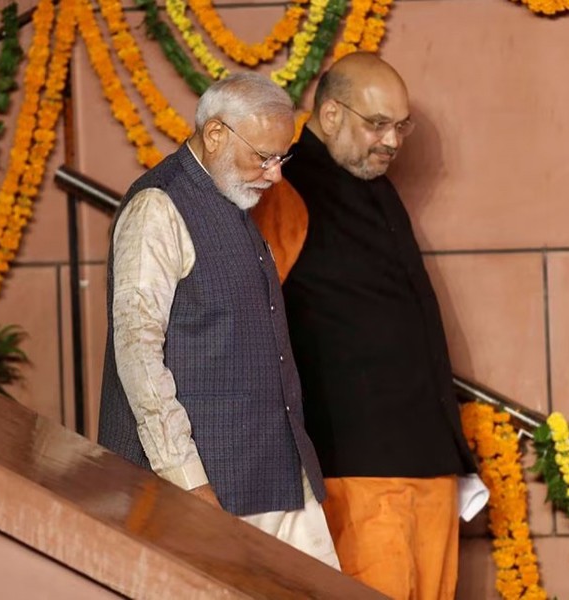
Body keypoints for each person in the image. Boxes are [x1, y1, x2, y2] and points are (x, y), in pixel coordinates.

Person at [97, 72, 339, 569]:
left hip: (275, 476)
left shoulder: (234, 196)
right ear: (215, 134)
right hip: (200, 491)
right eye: (264, 157)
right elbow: (138, 354)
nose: (274, 175)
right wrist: (188, 481)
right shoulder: (157, 206)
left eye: (281, 158)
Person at [274, 52, 483, 599]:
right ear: (332, 113)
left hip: (427, 460)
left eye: (401, 126)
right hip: (355, 469)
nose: (392, 141)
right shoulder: (285, 187)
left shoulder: (373, 182)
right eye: (377, 124)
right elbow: (248, 324)